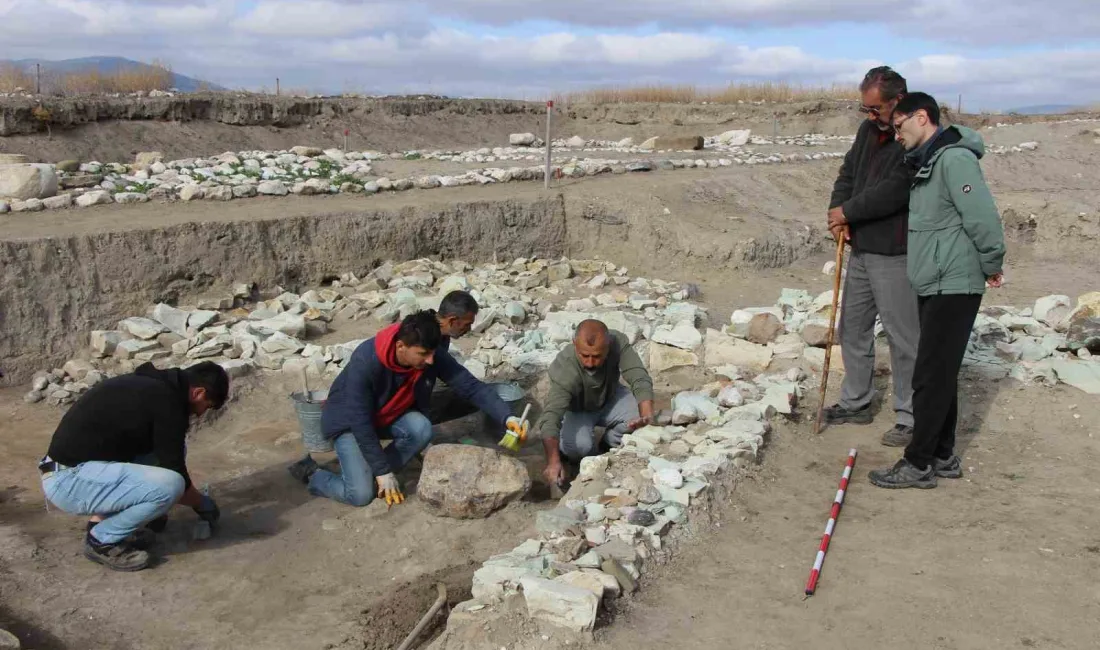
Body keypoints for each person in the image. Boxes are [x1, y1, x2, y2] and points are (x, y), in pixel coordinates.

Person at [868, 92, 1006, 489]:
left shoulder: (954, 160)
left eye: (899, 126)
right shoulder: (931, 160)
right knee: (939, 372)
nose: (896, 134)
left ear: (922, 117)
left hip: (954, 281)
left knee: (929, 374)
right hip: (937, 279)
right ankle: (943, 454)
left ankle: (919, 463)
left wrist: (992, 263)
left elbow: (981, 216)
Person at [294, 308, 525, 507]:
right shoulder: (366, 361)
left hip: (386, 417)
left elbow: (471, 387)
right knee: (360, 495)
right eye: (424, 354)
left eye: (433, 353)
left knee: (421, 427)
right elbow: (359, 421)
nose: (431, 361)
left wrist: (507, 417)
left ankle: (372, 472)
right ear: (401, 346)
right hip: (349, 423)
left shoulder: (429, 352)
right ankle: (313, 474)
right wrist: (383, 472)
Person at [39, 361, 229, 572]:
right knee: (171, 485)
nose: (201, 414)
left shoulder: (153, 386)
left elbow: (165, 456)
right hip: (69, 482)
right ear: (199, 392)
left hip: (73, 471)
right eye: (207, 406)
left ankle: (100, 522)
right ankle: (102, 540)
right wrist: (203, 504)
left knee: (168, 457)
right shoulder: (167, 402)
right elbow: (177, 477)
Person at [825, 65, 921, 447]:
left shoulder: (913, 136)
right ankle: (856, 401)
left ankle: (911, 415)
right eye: (864, 109)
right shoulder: (868, 131)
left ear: (898, 101)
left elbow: (896, 190)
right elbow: (848, 173)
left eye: (875, 109)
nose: (869, 116)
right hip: (861, 247)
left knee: (903, 337)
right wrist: (838, 212)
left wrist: (850, 212)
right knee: (853, 327)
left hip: (895, 250)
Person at [537, 320, 655, 487]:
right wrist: (553, 461)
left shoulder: (617, 342)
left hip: (610, 397)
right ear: (574, 345)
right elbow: (551, 416)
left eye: (597, 356)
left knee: (639, 415)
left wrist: (647, 416)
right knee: (579, 447)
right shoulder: (566, 370)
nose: (590, 363)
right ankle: (585, 461)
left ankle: (608, 445)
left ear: (608, 347)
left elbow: (637, 374)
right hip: (578, 410)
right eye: (584, 355)